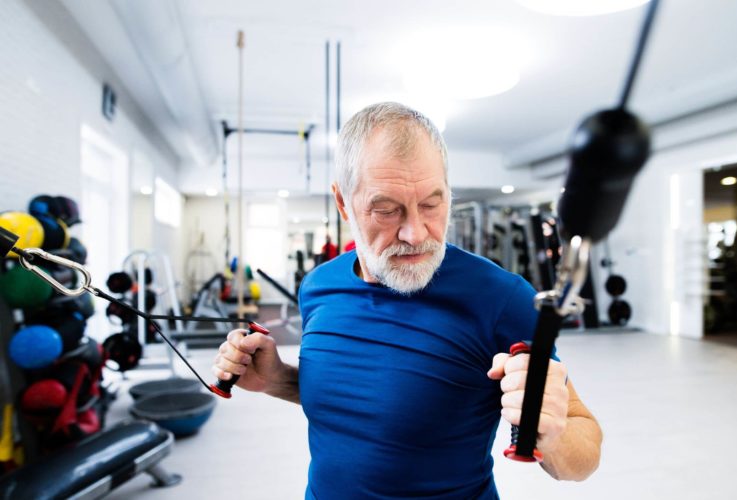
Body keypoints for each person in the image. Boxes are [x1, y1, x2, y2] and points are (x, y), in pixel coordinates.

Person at [213, 102, 602, 499]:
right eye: (386, 210)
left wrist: (553, 436)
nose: (415, 233)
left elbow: (585, 450)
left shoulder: (501, 298)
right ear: (343, 202)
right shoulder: (318, 286)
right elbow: (364, 407)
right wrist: (276, 379)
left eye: (432, 204)